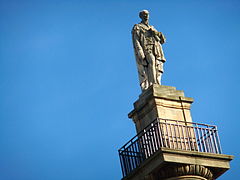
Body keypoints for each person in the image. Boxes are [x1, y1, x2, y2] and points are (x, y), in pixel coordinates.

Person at [132, 10, 166, 91]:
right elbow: (136, 41)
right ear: (141, 16)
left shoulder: (152, 27)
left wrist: (156, 33)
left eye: (147, 14)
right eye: (144, 14)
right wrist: (140, 51)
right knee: (152, 62)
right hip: (147, 48)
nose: (146, 16)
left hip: (156, 49)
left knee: (156, 65)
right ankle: (153, 83)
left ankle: (156, 82)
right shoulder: (138, 27)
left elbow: (163, 40)